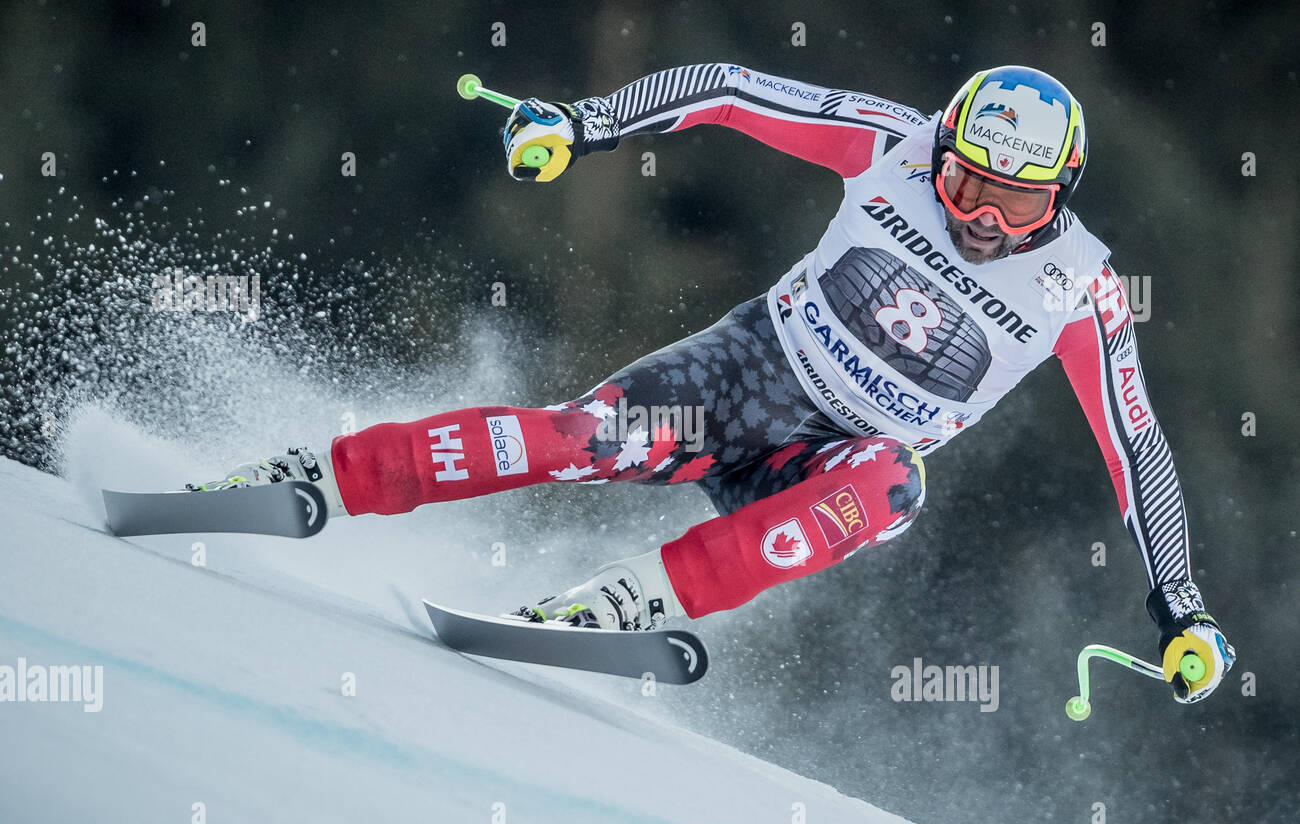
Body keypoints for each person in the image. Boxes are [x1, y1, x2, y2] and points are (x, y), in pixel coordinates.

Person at [203, 64, 1234, 704]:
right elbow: (732, 91)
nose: (977, 218)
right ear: (942, 149)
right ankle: (321, 474)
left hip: (837, 456)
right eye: (964, 182)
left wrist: (1180, 608)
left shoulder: (1082, 288)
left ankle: (628, 604)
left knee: (890, 488)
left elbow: (1135, 446)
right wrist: (586, 123)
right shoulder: (894, 144)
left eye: (1011, 203)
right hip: (748, 374)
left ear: (1058, 196)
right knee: (574, 439)